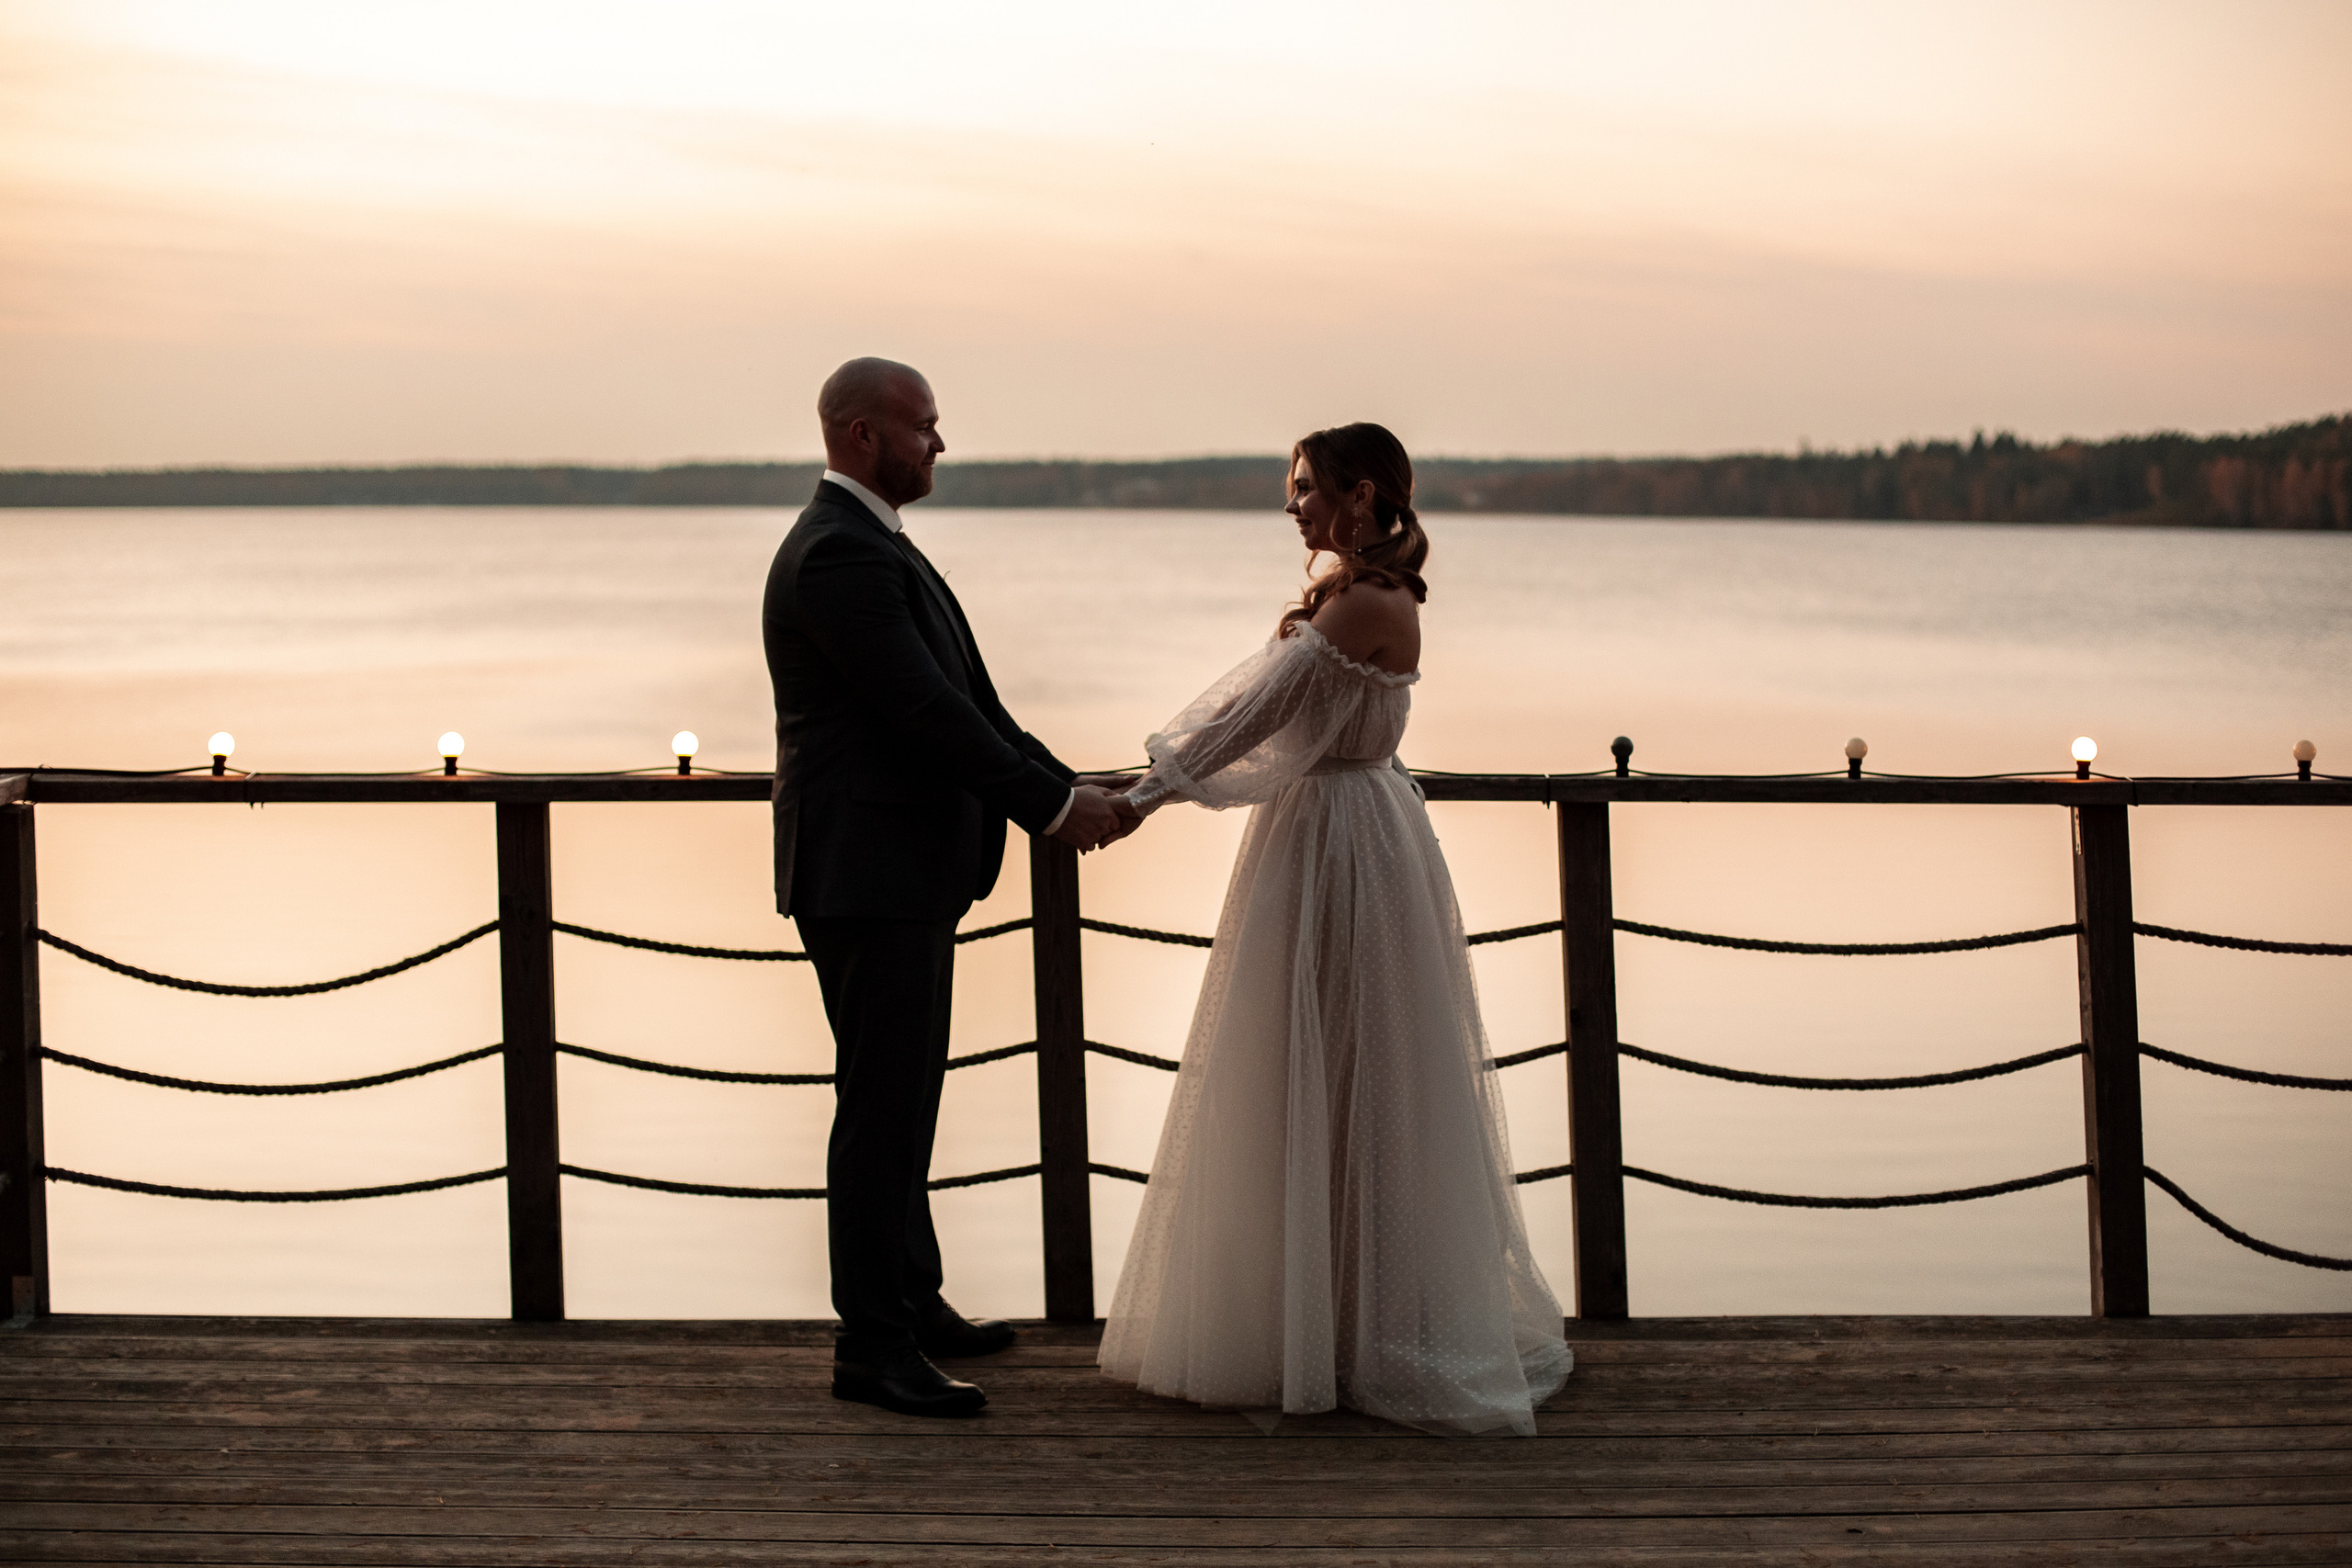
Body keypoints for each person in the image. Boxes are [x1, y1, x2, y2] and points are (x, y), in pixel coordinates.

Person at [1096, 422, 1572, 1436]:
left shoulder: (1363, 602)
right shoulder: (1363, 595)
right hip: (1339, 829)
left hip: (1341, 844)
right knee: (1320, 1064)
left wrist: (1139, 798)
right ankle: (1330, 1314)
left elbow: (1251, 716)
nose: (1293, 505)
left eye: (1307, 487)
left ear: (1360, 497)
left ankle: (1353, 1328)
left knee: (1349, 1062)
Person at [763, 357, 1141, 1418]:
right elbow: (924, 712)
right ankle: (871, 1349)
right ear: (859, 436)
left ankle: (912, 1303)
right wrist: (1053, 812)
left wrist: (1065, 785)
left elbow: (973, 700)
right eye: (921, 426)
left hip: (896, 872)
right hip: (867, 875)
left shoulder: (875, 545)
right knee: (881, 1109)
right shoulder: (839, 555)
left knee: (901, 1097)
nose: (939, 443)